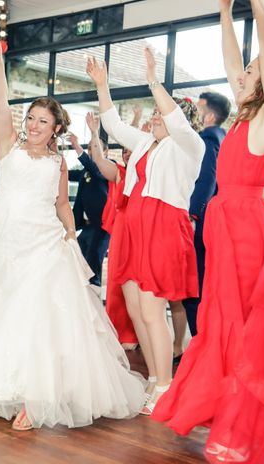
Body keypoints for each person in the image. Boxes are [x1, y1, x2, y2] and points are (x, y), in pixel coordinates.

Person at [0, 39, 145, 431]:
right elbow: (1, 103)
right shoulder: (8, 146)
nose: (32, 125)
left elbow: (62, 203)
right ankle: (8, 387)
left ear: (57, 129)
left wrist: (69, 234)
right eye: (30, 117)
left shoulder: (57, 162)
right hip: (8, 244)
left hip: (45, 245)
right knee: (6, 313)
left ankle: (35, 399)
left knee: (38, 316)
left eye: (41, 121)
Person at [152, 0, 264, 462]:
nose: (239, 75)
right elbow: (234, 61)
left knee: (245, 327)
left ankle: (249, 428)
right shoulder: (245, 117)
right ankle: (229, 414)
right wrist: (225, 11)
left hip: (246, 229)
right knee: (222, 322)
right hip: (226, 226)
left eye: (250, 71)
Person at [86, 49, 205, 415]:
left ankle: (167, 385)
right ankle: (154, 378)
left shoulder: (189, 146)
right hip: (134, 226)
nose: (154, 117)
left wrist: (154, 78)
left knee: (154, 312)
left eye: (159, 114)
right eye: (153, 114)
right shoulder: (143, 146)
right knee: (137, 309)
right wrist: (103, 86)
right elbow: (114, 126)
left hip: (163, 228)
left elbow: (176, 121)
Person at [85, 112, 138, 349]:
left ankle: (137, 333)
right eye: (124, 150)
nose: (127, 153)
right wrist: (95, 133)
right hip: (121, 230)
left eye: (131, 150)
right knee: (117, 282)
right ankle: (120, 332)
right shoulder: (120, 172)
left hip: (141, 231)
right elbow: (98, 160)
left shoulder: (148, 175)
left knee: (137, 284)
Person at [181, 91, 230, 337]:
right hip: (215, 220)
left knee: (194, 286)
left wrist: (192, 216)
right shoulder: (221, 137)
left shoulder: (209, 139)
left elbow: (207, 180)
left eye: (198, 108)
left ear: (210, 115)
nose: (194, 114)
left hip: (202, 221)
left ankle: (201, 343)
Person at [67, 132, 110, 287]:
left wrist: (77, 148)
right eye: (89, 148)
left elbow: (95, 170)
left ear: (105, 152)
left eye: (95, 147)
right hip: (87, 226)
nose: (91, 151)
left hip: (102, 227)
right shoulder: (86, 171)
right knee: (76, 261)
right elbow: (68, 174)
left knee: (92, 268)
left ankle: (94, 306)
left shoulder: (107, 168)